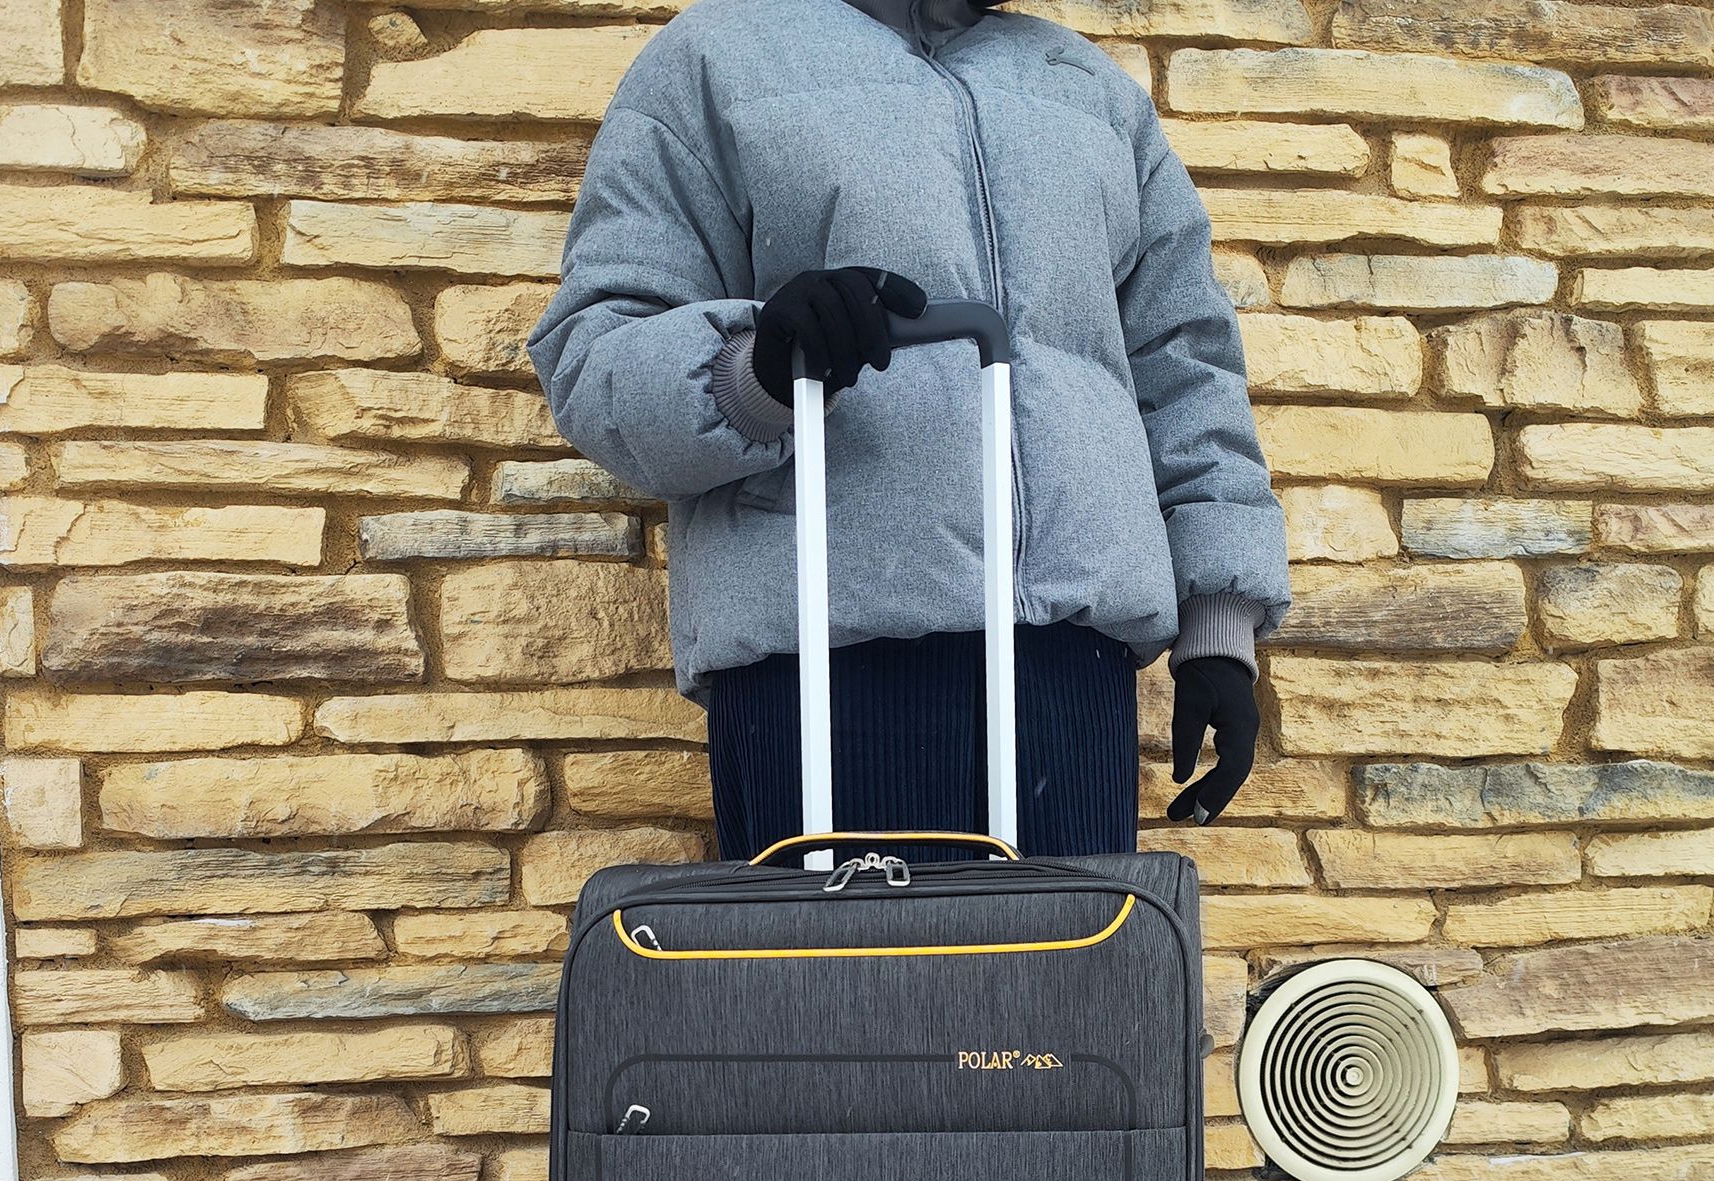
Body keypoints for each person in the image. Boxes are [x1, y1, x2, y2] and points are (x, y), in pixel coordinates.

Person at [530, 0, 1290, 861]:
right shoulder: (716, 60)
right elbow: (596, 352)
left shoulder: (1089, 88)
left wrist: (1218, 629)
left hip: (1067, 675)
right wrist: (758, 370)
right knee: (838, 951)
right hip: (822, 670)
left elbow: (1183, 361)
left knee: (1067, 950)